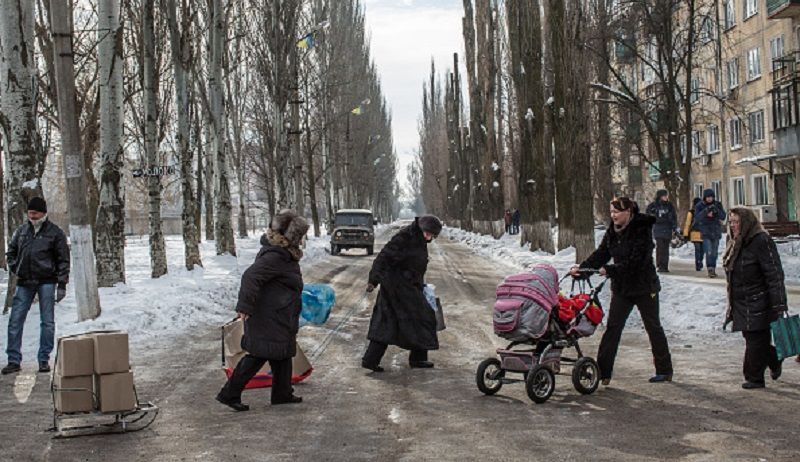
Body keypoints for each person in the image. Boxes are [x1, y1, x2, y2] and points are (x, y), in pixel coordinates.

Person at [570, 197, 673, 385]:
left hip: (644, 286)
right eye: (611, 212)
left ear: (629, 212)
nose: (613, 215)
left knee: (653, 327)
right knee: (613, 328)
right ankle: (602, 372)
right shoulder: (613, 231)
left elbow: (637, 261)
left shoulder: (642, 230)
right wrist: (582, 270)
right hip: (622, 288)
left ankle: (664, 370)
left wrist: (610, 270)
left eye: (617, 212)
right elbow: (601, 253)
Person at [216, 209, 309, 411]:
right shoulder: (277, 255)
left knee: (283, 352)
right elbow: (251, 277)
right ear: (290, 236)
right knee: (259, 354)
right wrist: (245, 307)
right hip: (269, 315)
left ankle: (282, 393)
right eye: (299, 236)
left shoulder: (283, 254)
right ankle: (229, 394)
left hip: (277, 313)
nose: (301, 241)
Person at [362, 215, 442, 372]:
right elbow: (383, 257)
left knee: (418, 318)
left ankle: (417, 358)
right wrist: (373, 280)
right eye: (427, 233)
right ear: (421, 228)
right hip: (395, 287)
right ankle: (370, 360)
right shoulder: (404, 238)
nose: (429, 237)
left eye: (432, 235)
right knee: (389, 322)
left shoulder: (419, 239)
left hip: (409, 287)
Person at [3, 198, 70, 375]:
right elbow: (11, 251)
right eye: (29, 213)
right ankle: (13, 360)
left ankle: (43, 360)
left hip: (46, 281)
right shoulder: (22, 230)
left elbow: (63, 259)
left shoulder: (55, 233)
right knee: (15, 320)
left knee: (47, 322)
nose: (31, 216)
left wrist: (61, 283)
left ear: (43, 213)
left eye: (35, 213)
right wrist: (15, 267)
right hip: (24, 281)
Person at [722, 207, 787, 389]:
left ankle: (754, 377)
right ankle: (774, 359)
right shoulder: (735, 241)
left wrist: (779, 302)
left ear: (746, 222)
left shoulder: (761, 240)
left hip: (761, 298)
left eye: (737, 222)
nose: (733, 225)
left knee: (755, 339)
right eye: (731, 222)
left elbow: (774, 273)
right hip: (741, 299)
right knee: (752, 337)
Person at [693, 189, 726, 278]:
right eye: (708, 197)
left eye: (711, 197)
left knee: (714, 252)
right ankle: (710, 269)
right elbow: (697, 218)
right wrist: (706, 211)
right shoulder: (700, 205)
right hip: (705, 231)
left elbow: (723, 216)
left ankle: (713, 267)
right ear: (704, 197)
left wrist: (716, 211)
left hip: (715, 231)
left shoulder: (717, 204)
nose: (709, 199)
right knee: (709, 251)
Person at [645, 189, 678, 273]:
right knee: (660, 247)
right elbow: (648, 215)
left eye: (666, 196)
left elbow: (674, 216)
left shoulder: (669, 205)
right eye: (664, 196)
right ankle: (659, 265)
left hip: (667, 228)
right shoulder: (653, 205)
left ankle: (665, 266)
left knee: (666, 248)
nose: (666, 197)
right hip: (658, 228)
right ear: (660, 197)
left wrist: (674, 227)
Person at [683, 197, 704, 271]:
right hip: (695, 233)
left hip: (703, 233)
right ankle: (698, 263)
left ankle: (700, 262)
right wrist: (685, 234)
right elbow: (688, 223)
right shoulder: (691, 212)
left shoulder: (704, 211)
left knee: (702, 250)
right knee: (698, 250)